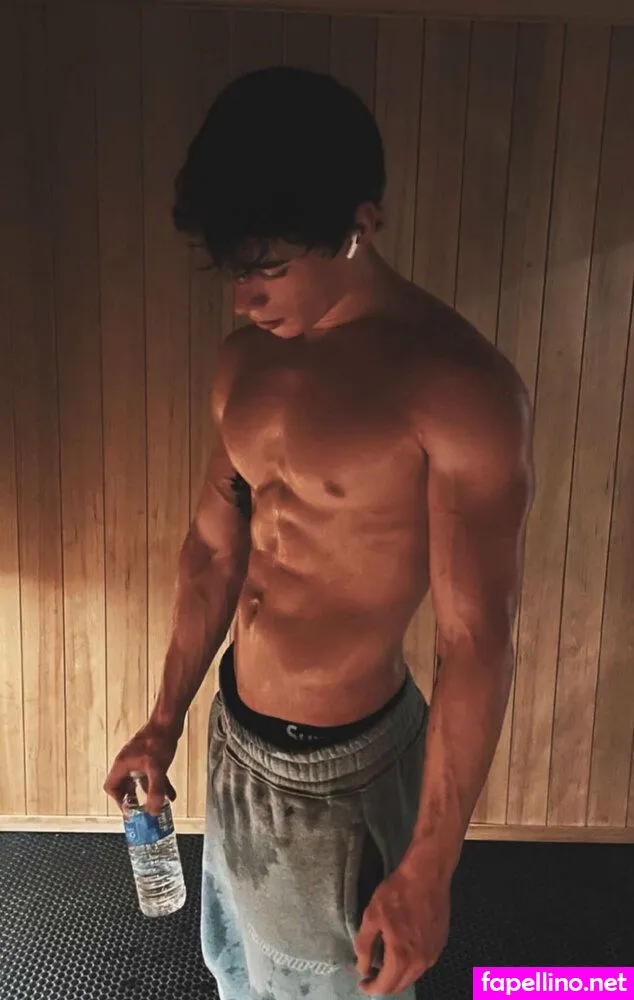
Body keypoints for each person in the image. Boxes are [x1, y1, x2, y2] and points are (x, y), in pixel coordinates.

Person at [104, 66, 535, 1000]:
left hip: (343, 774)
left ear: (359, 224)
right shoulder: (245, 363)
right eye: (233, 267)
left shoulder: (459, 391)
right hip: (234, 736)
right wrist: (163, 720)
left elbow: (475, 639)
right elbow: (214, 549)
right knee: (238, 971)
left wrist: (430, 867)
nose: (243, 297)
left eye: (267, 266)